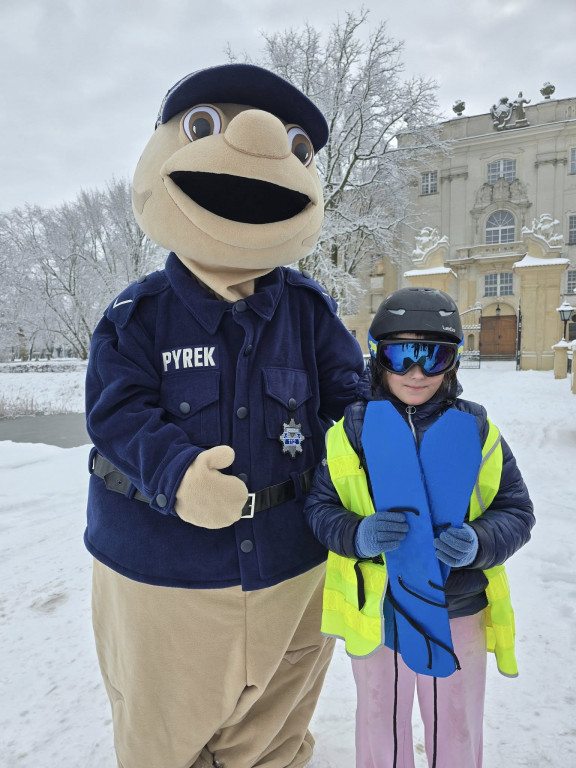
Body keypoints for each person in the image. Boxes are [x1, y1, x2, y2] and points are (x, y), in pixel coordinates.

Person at [84, 63, 365, 768]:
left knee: (274, 731)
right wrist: (176, 474)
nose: (263, 141)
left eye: (299, 149)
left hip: (291, 565)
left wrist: (385, 446)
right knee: (161, 734)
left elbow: (351, 397)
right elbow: (115, 414)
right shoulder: (135, 315)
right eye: (206, 125)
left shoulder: (308, 312)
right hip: (161, 573)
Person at [304, 286, 535, 768]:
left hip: (457, 607)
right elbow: (319, 508)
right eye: (400, 355)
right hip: (379, 608)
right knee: (379, 720)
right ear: (377, 358)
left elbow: (516, 510)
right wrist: (357, 534)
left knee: (456, 721)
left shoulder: (476, 431)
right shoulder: (349, 434)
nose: (415, 373)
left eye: (433, 357)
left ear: (451, 363)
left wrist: (478, 541)